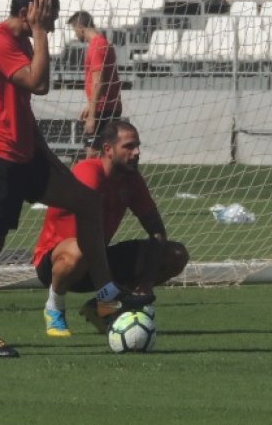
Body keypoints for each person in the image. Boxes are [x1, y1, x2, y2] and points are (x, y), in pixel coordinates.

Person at [0, 0, 154, 358]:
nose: (52, 22)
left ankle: (105, 296)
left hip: (25, 155)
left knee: (86, 201)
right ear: (29, 12)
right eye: (47, 13)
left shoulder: (22, 42)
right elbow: (39, 84)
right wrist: (39, 32)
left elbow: (24, 111)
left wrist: (50, 159)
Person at [32, 121, 189, 337]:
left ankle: (105, 309)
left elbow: (156, 230)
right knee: (80, 251)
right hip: (58, 263)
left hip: (98, 259)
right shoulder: (88, 172)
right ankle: (55, 307)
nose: (137, 152)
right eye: (129, 146)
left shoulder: (132, 179)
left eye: (138, 146)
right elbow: (89, 237)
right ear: (108, 149)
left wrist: (145, 284)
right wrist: (109, 289)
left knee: (175, 254)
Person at [67, 10, 123, 159]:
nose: (75, 34)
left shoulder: (97, 46)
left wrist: (92, 115)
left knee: (93, 154)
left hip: (103, 110)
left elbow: (98, 82)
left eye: (74, 30)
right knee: (102, 155)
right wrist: (90, 106)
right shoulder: (103, 43)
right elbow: (105, 82)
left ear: (80, 27)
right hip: (106, 107)